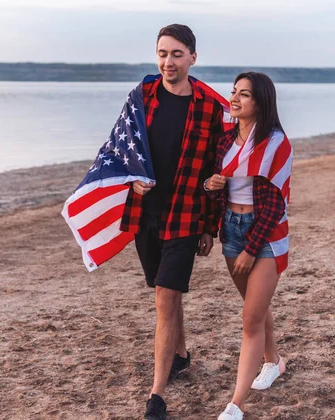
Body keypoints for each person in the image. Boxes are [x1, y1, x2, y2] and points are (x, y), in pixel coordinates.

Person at [119, 24, 227, 419]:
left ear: (193, 58)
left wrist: (209, 226)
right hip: (146, 214)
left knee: (165, 298)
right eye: (162, 53)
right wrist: (134, 182)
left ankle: (157, 396)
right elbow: (120, 149)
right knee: (168, 294)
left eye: (177, 54)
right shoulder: (141, 98)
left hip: (185, 215)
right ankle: (180, 354)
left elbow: (218, 170)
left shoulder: (210, 107)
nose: (168, 61)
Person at [204, 72, 293, 420]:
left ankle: (235, 405)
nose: (235, 99)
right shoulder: (226, 141)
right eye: (234, 92)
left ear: (261, 102)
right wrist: (211, 185)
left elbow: (273, 206)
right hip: (232, 227)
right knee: (255, 307)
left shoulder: (275, 144)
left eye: (245, 94)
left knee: (250, 320)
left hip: (265, 234)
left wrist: (250, 248)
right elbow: (218, 186)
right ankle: (274, 361)